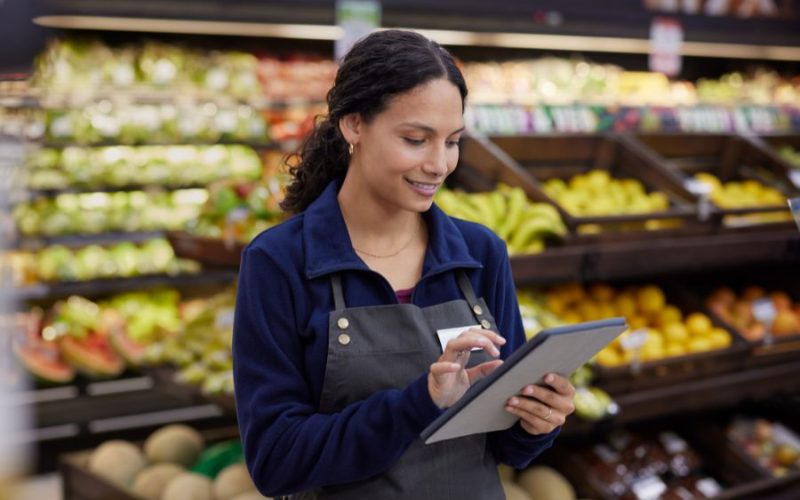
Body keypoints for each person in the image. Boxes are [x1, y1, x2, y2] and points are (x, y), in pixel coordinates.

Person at [232, 29, 576, 499]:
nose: (439, 164)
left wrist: (538, 420)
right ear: (354, 125)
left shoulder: (480, 254)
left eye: (452, 141)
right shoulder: (279, 262)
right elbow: (276, 461)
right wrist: (421, 402)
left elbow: (506, 448)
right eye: (416, 139)